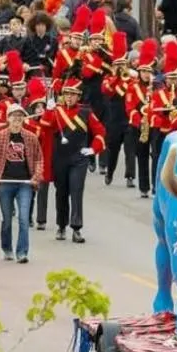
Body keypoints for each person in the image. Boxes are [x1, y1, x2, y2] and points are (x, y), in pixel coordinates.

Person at [43, 77, 105, 244]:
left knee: (76, 191)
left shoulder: (86, 112)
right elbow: (45, 125)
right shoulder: (56, 111)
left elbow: (100, 132)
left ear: (78, 97)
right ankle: (61, 226)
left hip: (79, 158)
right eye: (66, 94)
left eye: (73, 94)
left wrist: (93, 149)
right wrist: (48, 110)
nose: (69, 97)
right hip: (60, 157)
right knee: (61, 192)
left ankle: (76, 228)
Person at [0, 104, 42, 263]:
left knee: (24, 218)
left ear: (24, 119)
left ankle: (22, 252)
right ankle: (7, 248)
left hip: (24, 183)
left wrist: (36, 176)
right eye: (14, 116)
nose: (17, 119)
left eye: (20, 116)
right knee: (7, 219)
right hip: (5, 182)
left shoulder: (31, 138)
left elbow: (39, 159)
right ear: (8, 118)